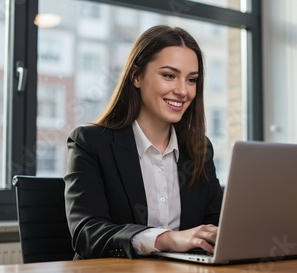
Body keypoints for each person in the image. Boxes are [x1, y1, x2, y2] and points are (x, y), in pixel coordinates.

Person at [64, 25, 223, 260]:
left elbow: (215, 224)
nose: (183, 91)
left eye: (191, 80)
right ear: (137, 76)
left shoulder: (199, 149)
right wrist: (165, 238)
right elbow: (87, 233)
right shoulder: (90, 143)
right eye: (169, 75)